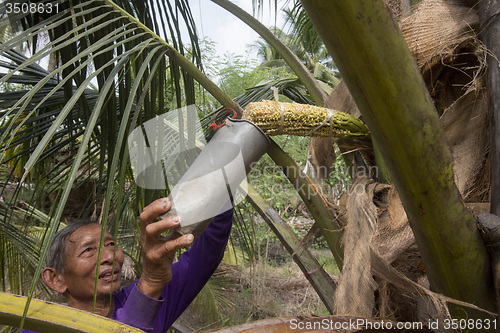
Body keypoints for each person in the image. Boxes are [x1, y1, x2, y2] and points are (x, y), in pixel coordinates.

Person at [23, 197, 233, 333]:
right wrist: (150, 284)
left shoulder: (150, 296)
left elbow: (205, 254)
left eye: (111, 244)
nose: (109, 256)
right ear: (55, 279)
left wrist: (220, 177)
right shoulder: (40, 327)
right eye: (88, 250)